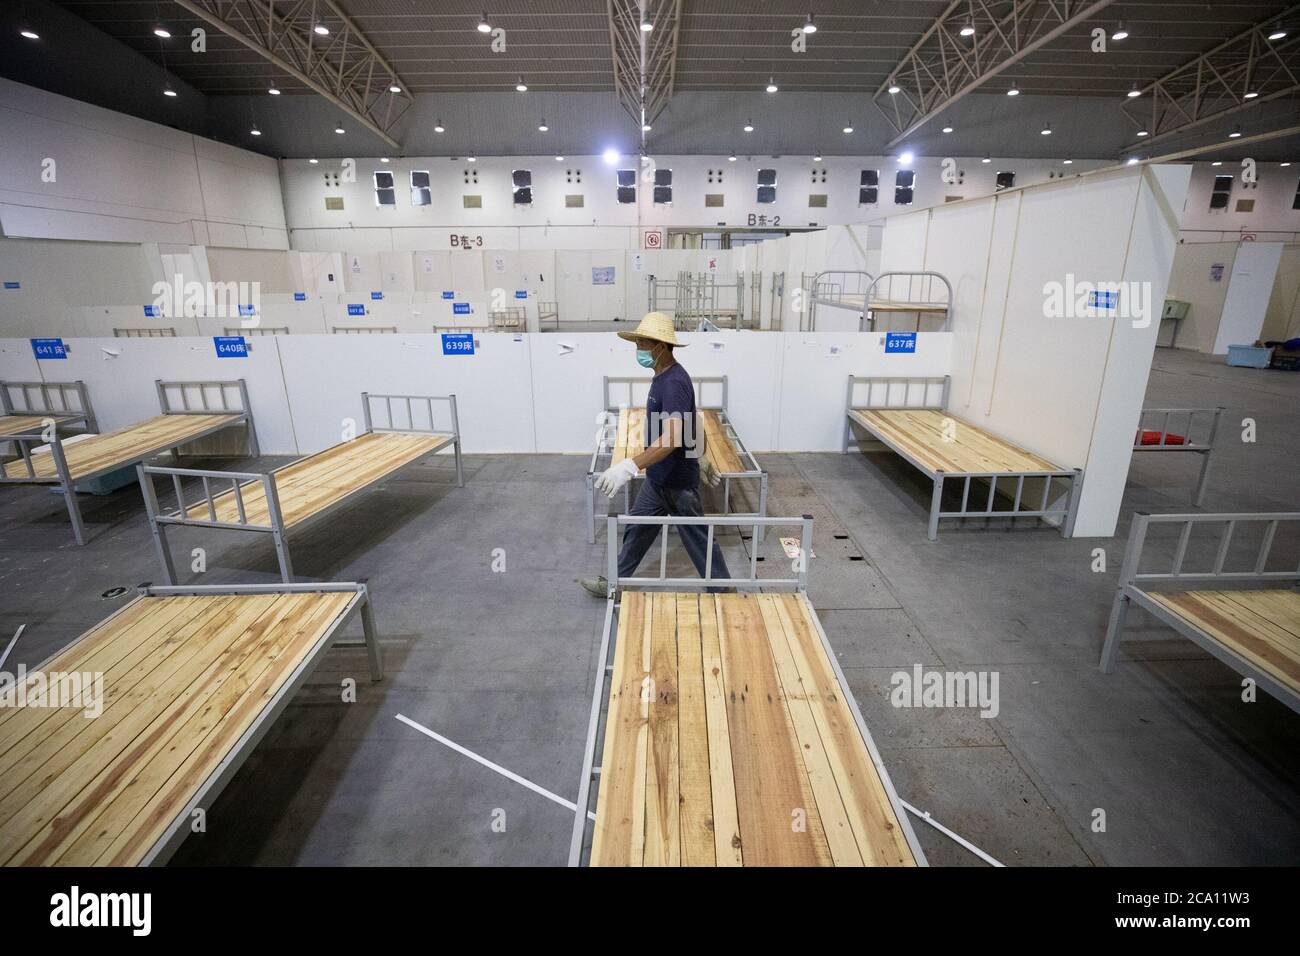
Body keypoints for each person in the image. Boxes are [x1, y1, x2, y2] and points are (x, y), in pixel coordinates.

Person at [580, 312, 730, 597]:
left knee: (698, 540)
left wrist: (628, 466)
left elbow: (672, 437)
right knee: (637, 529)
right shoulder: (661, 376)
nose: (638, 350)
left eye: (643, 344)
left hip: (677, 483)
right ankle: (615, 583)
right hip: (658, 479)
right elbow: (691, 421)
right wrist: (701, 453)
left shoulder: (673, 383)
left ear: (660, 346)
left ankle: (722, 590)